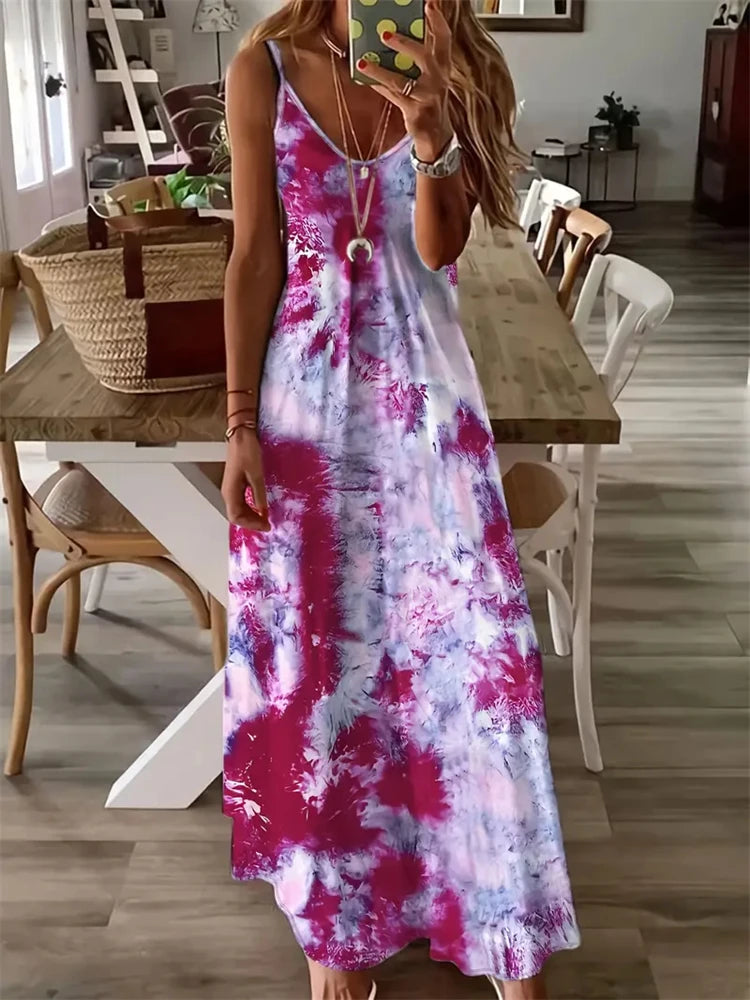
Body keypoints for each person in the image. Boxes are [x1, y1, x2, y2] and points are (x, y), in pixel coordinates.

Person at [221, 2, 580, 998]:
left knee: (468, 661)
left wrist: (431, 130)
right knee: (321, 664)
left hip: (428, 404)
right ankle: (336, 935)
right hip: (302, 407)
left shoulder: (450, 61)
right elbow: (253, 256)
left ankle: (500, 917)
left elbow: (437, 250)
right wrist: (240, 422)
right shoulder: (264, 69)